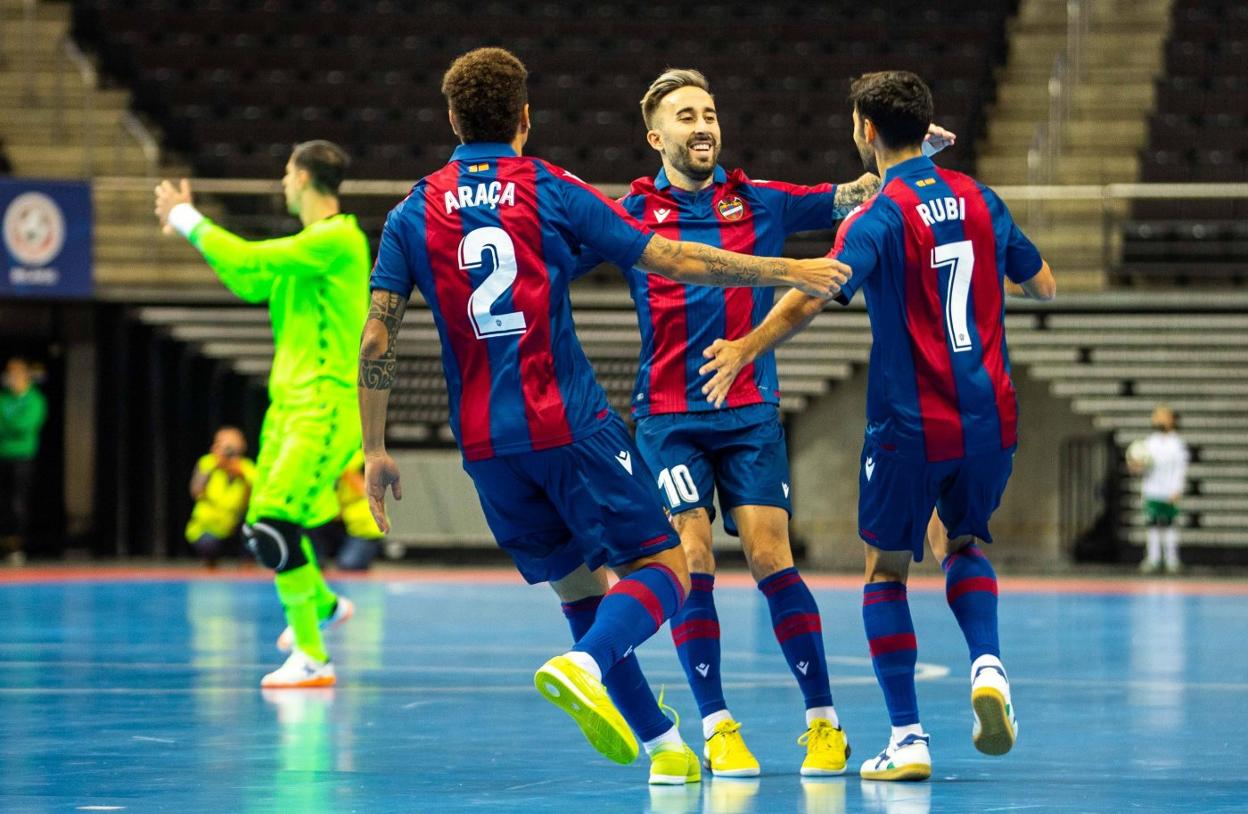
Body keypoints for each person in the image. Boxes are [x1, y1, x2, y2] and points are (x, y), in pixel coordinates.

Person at [357, 47, 850, 784]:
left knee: (580, 590)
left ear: (453, 119)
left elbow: (375, 337)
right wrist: (788, 269)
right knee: (666, 568)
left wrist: (375, 448)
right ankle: (588, 664)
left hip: (487, 448)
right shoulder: (549, 187)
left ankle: (666, 749)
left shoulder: (411, 209)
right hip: (568, 424)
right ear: (525, 118)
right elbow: (673, 259)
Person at [576, 67, 955, 778]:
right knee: (689, 561)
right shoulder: (627, 212)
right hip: (667, 416)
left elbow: (858, 192)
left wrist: (912, 155)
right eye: (686, 115)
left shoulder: (762, 201)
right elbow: (552, 247)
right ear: (655, 136)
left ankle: (824, 722)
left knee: (768, 555)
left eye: (711, 112)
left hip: (748, 412)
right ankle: (717, 726)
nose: (703, 125)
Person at [699, 70, 1057, 781]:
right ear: (927, 128)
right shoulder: (982, 198)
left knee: (885, 572)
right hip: (990, 417)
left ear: (865, 130)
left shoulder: (879, 215)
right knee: (962, 542)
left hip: (909, 423)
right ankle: (987, 665)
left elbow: (818, 290)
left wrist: (745, 346)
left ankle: (909, 738)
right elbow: (1042, 284)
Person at [154, 140, 367, 688]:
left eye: (286, 173)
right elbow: (247, 278)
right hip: (288, 410)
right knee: (259, 530)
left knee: (273, 524)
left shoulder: (338, 240)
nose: (281, 183)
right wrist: (193, 234)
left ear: (302, 178)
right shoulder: (305, 248)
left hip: (322, 408)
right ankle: (320, 605)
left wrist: (186, 216)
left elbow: (249, 258)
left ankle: (314, 658)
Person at [185, 426, 256, 567]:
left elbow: (254, 499)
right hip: (209, 525)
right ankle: (210, 561)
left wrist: (241, 476)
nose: (228, 453)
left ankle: (247, 564)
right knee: (207, 544)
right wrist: (214, 468)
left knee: (255, 530)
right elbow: (196, 491)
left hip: (236, 523)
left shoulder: (247, 467)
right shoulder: (208, 463)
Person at [1130, 405, 1188, 574]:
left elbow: (1181, 469)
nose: (1158, 420)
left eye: (1162, 416)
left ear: (1171, 419)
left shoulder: (1177, 444)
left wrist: (1178, 488)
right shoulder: (1150, 442)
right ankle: (1153, 559)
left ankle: (1172, 559)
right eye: (1156, 416)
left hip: (1169, 490)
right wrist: (1136, 466)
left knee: (1169, 525)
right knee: (1152, 525)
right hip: (1152, 489)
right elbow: (1141, 463)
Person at [0, 357, 47, 565]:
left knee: (17, 502)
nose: (13, 378)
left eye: (17, 374)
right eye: (10, 374)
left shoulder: (35, 399)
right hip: (3, 454)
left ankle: (16, 546)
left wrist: (8, 425)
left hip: (23, 456)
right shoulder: (3, 398)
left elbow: (25, 425)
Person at [333, 449, 385, 571]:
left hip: (364, 530)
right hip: (338, 523)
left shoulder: (353, 457)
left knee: (349, 565)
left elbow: (358, 484)